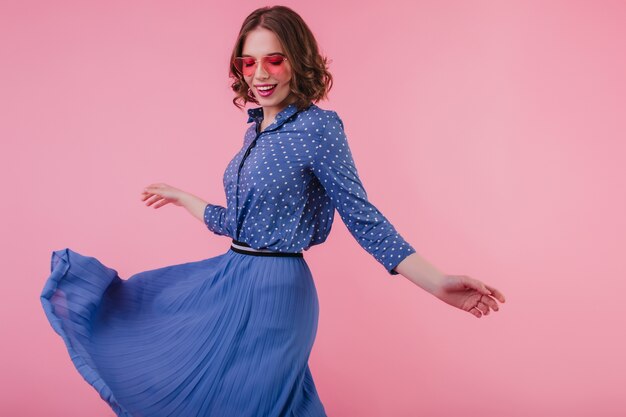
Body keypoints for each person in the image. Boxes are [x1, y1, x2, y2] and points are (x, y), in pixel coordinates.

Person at [40, 5, 506, 417]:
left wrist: (437, 283)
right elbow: (238, 225)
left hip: (277, 293)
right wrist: (185, 198)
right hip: (231, 278)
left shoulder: (319, 127)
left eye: (274, 59)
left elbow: (363, 218)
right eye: (248, 61)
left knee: (259, 402)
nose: (259, 73)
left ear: (297, 62)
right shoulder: (254, 130)